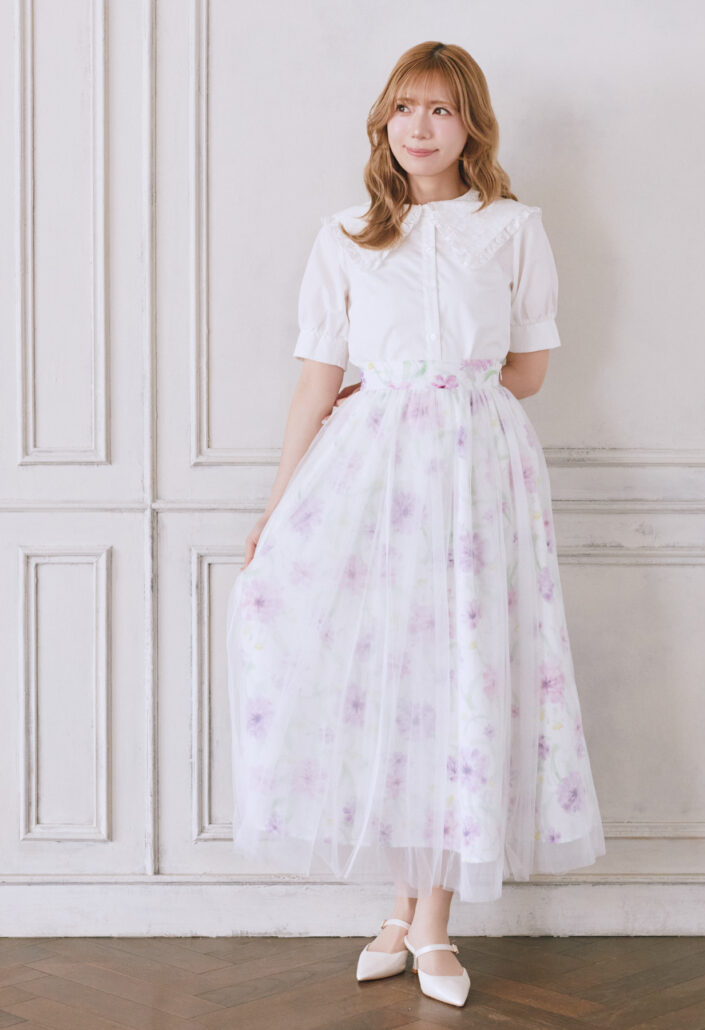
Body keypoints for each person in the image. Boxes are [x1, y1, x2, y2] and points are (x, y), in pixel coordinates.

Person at [225, 40, 606, 1008]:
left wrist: (438, 391)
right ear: (383, 123)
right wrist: (277, 509)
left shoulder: (512, 229)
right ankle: (401, 910)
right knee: (390, 680)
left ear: (471, 124)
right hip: (370, 478)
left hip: (477, 473)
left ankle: (430, 921)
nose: (421, 127)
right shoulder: (346, 234)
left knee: (460, 676)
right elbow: (316, 382)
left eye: (440, 109)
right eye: (404, 108)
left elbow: (528, 372)